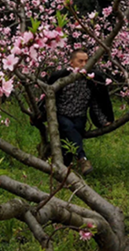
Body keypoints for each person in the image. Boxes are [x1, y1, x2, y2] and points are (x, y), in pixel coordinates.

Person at [33, 48, 114, 176]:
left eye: (86, 61)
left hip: (79, 117)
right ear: (71, 63)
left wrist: (104, 120)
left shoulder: (92, 79)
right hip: (61, 115)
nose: (84, 64)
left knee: (71, 136)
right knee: (68, 127)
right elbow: (47, 98)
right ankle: (82, 158)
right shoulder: (61, 77)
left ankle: (65, 168)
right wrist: (40, 114)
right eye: (80, 61)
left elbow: (96, 102)